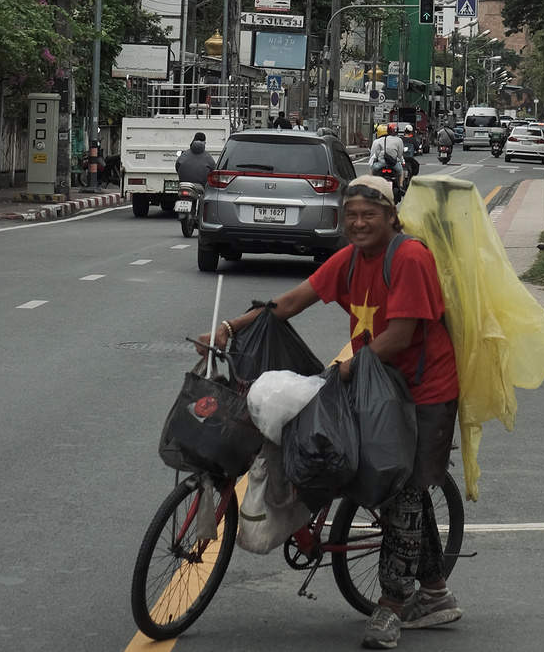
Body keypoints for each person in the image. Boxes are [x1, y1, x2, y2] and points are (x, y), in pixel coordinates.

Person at [196, 174, 463, 649]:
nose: (359, 223)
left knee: (399, 489)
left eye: (370, 215)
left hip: (424, 391)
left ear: (390, 216)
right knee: (395, 484)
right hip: (374, 383)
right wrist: (229, 327)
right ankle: (437, 591)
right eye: (351, 215)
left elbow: (400, 336)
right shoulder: (350, 259)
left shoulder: (410, 258)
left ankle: (391, 608)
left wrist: (341, 371)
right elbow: (291, 302)